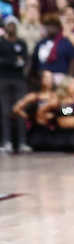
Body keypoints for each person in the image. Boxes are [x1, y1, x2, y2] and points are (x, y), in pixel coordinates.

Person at [0, 15, 29, 153]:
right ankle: (7, 141)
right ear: (5, 27)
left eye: (13, 25)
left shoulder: (21, 43)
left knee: (20, 110)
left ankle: (22, 142)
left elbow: (25, 61)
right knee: (5, 111)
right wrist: (14, 62)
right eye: (9, 25)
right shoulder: (1, 43)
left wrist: (11, 62)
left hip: (19, 79)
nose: (11, 27)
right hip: (3, 79)